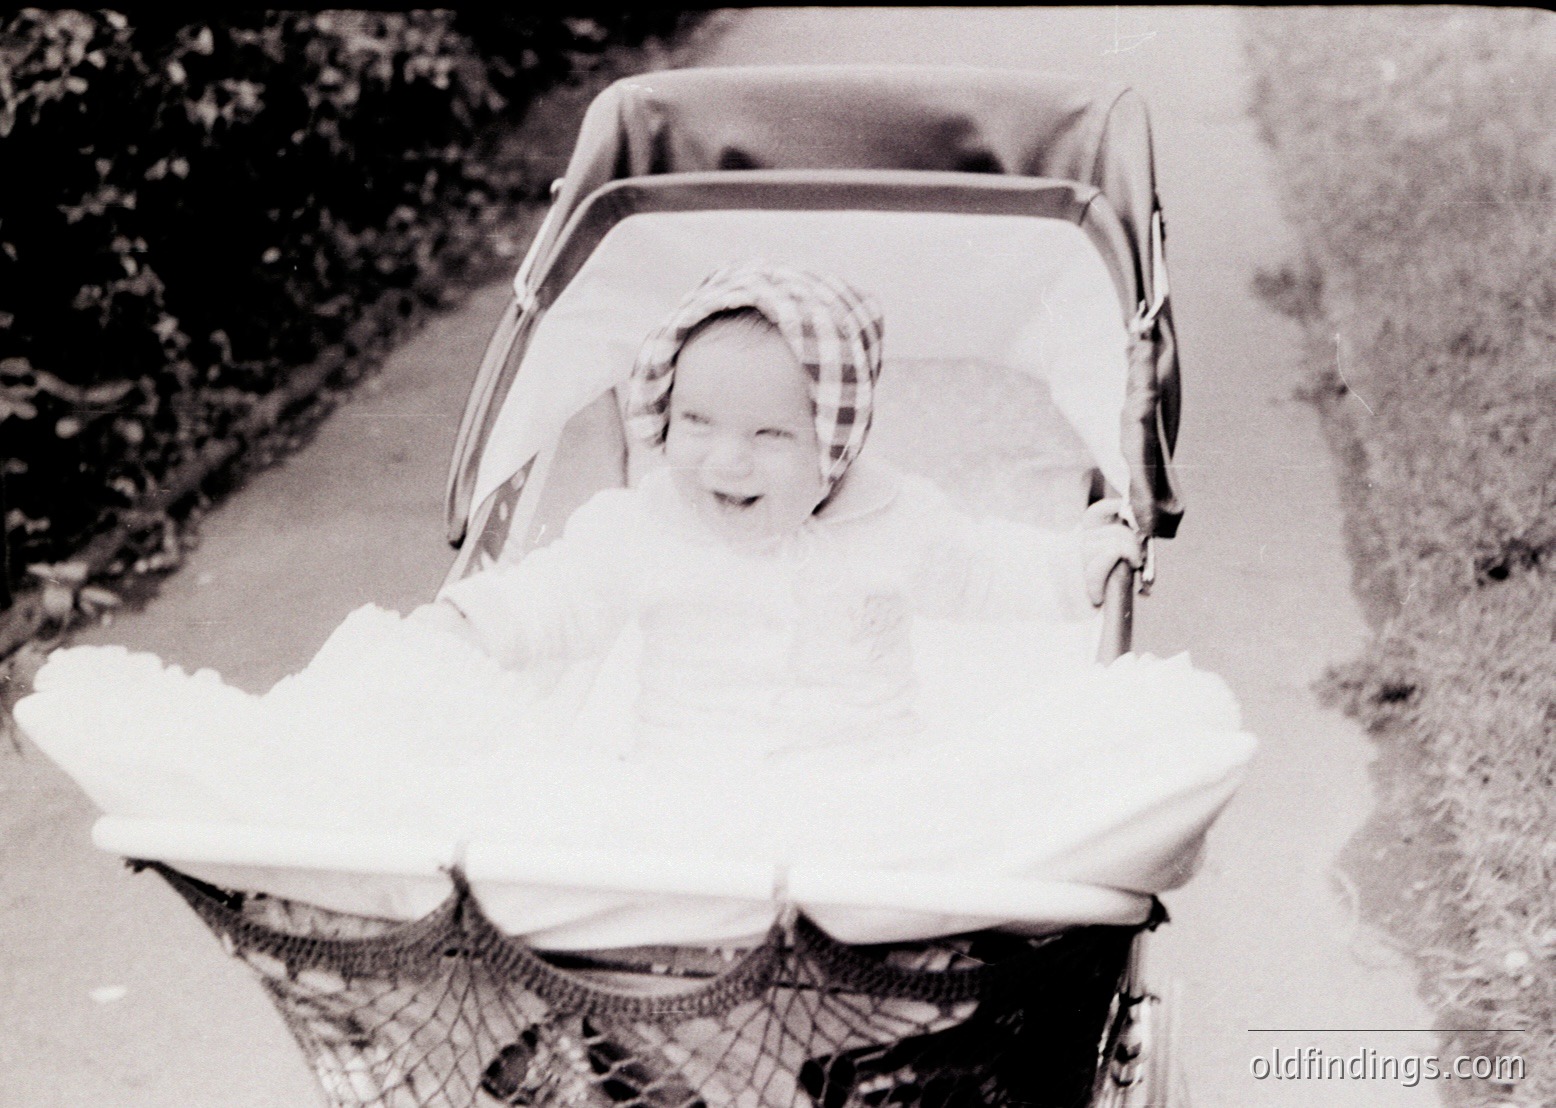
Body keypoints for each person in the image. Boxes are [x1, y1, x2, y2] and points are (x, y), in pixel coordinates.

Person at [410, 263, 1141, 758]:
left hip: (859, 780)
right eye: (696, 422)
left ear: (835, 445)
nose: (727, 461)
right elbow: (558, 596)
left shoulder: (897, 519)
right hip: (685, 780)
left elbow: (983, 570)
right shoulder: (642, 524)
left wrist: (1076, 566)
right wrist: (471, 625)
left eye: (770, 435)